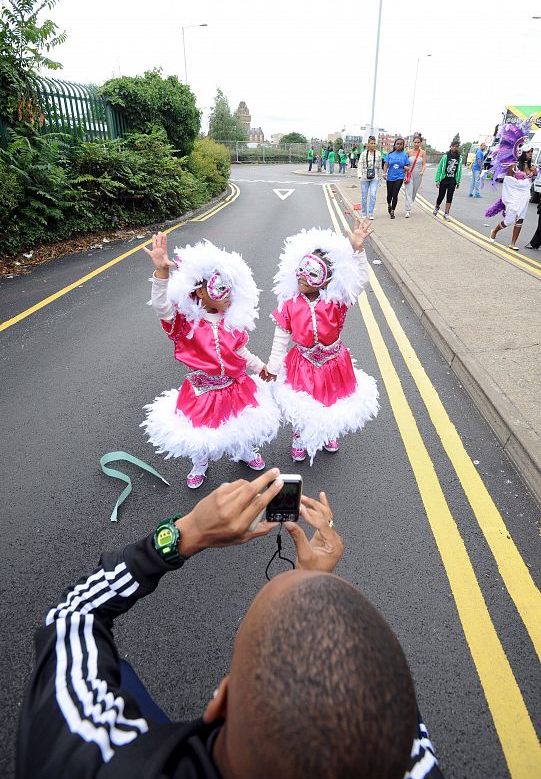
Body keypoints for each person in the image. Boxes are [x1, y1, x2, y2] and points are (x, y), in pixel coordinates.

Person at [17, 470, 444, 779]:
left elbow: (73, 615)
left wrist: (188, 533)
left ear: (219, 703)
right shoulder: (413, 762)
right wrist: (313, 578)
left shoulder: (94, 756)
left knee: (118, 675)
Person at [141, 233, 280, 488]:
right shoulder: (185, 323)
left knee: (239, 422)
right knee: (202, 431)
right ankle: (200, 462)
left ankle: (244, 451)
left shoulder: (231, 321)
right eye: (219, 287)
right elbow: (161, 307)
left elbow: (241, 352)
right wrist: (161, 272)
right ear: (200, 291)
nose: (227, 295)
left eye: (230, 288)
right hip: (202, 391)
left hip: (234, 387)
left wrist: (261, 367)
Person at [260, 220, 379, 463]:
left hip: (334, 363)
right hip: (302, 362)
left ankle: (327, 432)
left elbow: (361, 280)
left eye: (312, 274)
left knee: (330, 400)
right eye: (301, 271)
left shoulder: (336, 301)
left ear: (326, 280)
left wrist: (358, 251)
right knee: (303, 402)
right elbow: (281, 337)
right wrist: (273, 366)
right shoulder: (290, 303)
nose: (303, 278)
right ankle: (299, 436)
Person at [487, 165, 532, 250]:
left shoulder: (530, 166)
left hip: (524, 197)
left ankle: (513, 243)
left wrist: (533, 173)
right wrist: (521, 183)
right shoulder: (513, 166)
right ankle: (494, 231)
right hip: (513, 197)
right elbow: (508, 181)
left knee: (520, 220)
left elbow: (531, 179)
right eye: (528, 152)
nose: (530, 156)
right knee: (508, 221)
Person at [433, 141, 463, 220]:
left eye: (456, 146)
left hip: (452, 180)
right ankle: (437, 207)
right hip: (444, 180)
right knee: (441, 196)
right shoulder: (445, 156)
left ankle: (446, 213)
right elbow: (439, 168)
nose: (455, 148)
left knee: (450, 197)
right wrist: (437, 180)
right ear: (451, 146)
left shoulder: (459, 157)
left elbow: (459, 170)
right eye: (453, 146)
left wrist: (458, 181)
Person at [383, 137, 410, 219]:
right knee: (389, 195)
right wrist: (384, 173)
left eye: (400, 144)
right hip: (390, 177)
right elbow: (386, 164)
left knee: (395, 194)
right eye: (397, 144)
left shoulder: (405, 156)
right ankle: (389, 204)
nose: (399, 145)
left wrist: (405, 175)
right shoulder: (390, 155)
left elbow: (407, 166)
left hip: (399, 177)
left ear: (403, 146)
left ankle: (392, 211)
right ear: (394, 145)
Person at [357, 135, 383, 220]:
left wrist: (380, 178)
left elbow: (380, 166)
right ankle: (364, 213)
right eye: (371, 143)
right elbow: (360, 165)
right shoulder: (363, 154)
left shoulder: (378, 153)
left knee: (373, 194)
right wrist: (359, 175)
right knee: (364, 195)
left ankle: (371, 213)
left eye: (374, 143)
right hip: (364, 176)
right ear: (368, 144)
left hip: (374, 177)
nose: (373, 145)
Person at [404, 133, 427, 217]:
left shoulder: (423, 153)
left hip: (418, 174)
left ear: (420, 143)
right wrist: (405, 173)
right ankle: (407, 210)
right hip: (409, 174)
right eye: (415, 142)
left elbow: (424, 164)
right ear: (413, 142)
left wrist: (422, 171)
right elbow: (405, 164)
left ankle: (410, 205)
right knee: (408, 192)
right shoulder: (408, 152)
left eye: (418, 142)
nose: (416, 144)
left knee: (414, 192)